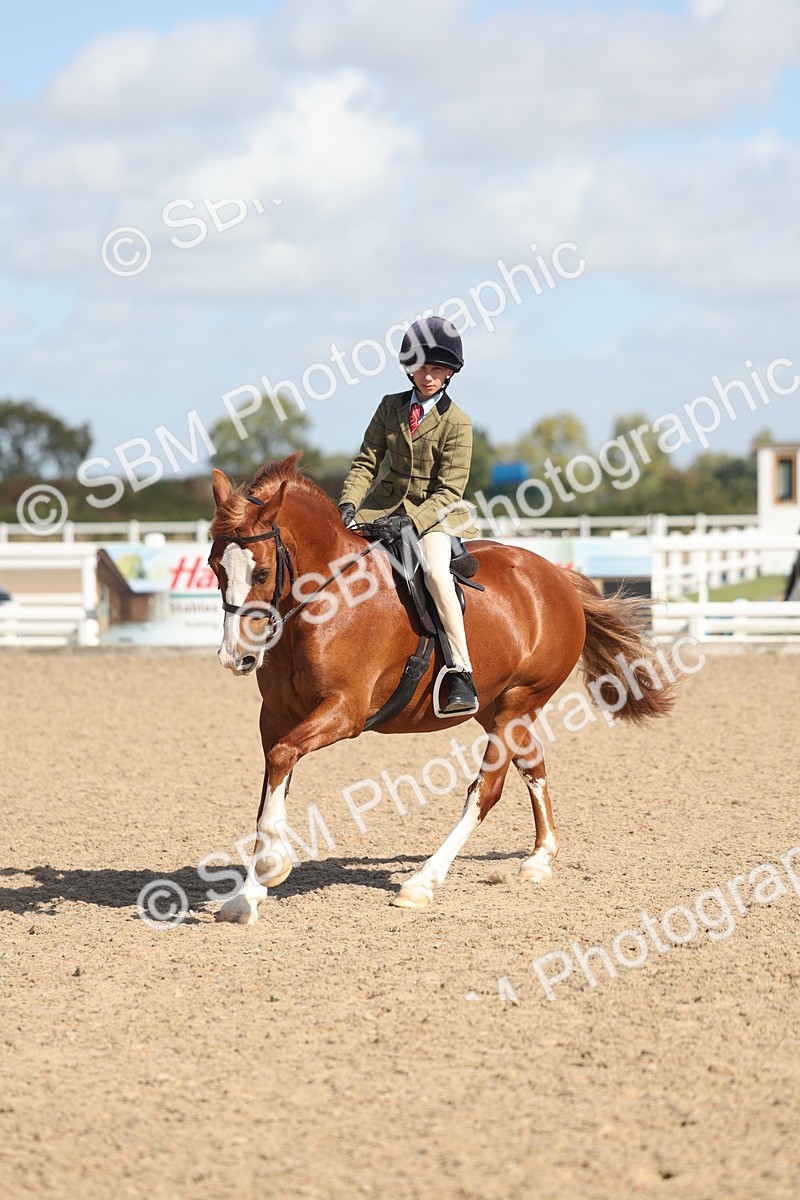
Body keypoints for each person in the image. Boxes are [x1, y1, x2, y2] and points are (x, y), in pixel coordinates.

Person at [338, 316, 479, 714]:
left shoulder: (458, 422)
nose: (428, 376)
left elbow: (450, 490)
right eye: (421, 367)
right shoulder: (389, 407)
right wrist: (349, 503)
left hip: (435, 516)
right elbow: (367, 461)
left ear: (450, 373)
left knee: (434, 574)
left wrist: (412, 522)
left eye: (437, 369)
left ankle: (461, 672)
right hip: (382, 507)